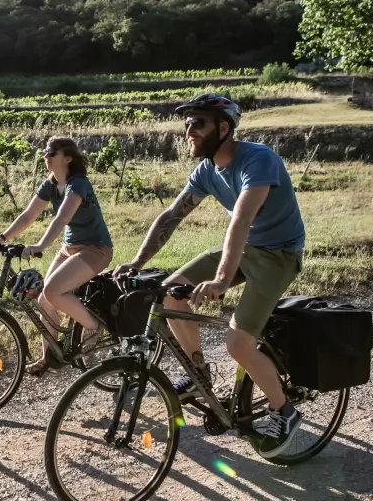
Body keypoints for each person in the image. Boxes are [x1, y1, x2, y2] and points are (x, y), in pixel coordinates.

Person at [114, 93, 306, 457]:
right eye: (186, 124)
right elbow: (172, 215)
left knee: (238, 343)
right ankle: (200, 374)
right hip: (245, 247)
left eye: (197, 123)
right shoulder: (206, 170)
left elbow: (242, 219)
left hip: (277, 255)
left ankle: (285, 412)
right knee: (170, 292)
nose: (189, 131)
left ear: (223, 127)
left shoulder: (258, 160)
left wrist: (220, 279)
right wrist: (137, 263)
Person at [0, 136, 114, 375]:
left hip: (96, 249)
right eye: (45, 151)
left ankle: (94, 326)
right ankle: (50, 356)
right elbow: (29, 215)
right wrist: (3, 238)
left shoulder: (78, 184)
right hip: (70, 249)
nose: (46, 155)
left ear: (67, 158)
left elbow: (62, 218)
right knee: (44, 300)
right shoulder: (50, 184)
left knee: (53, 290)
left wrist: (39, 246)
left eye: (51, 152)